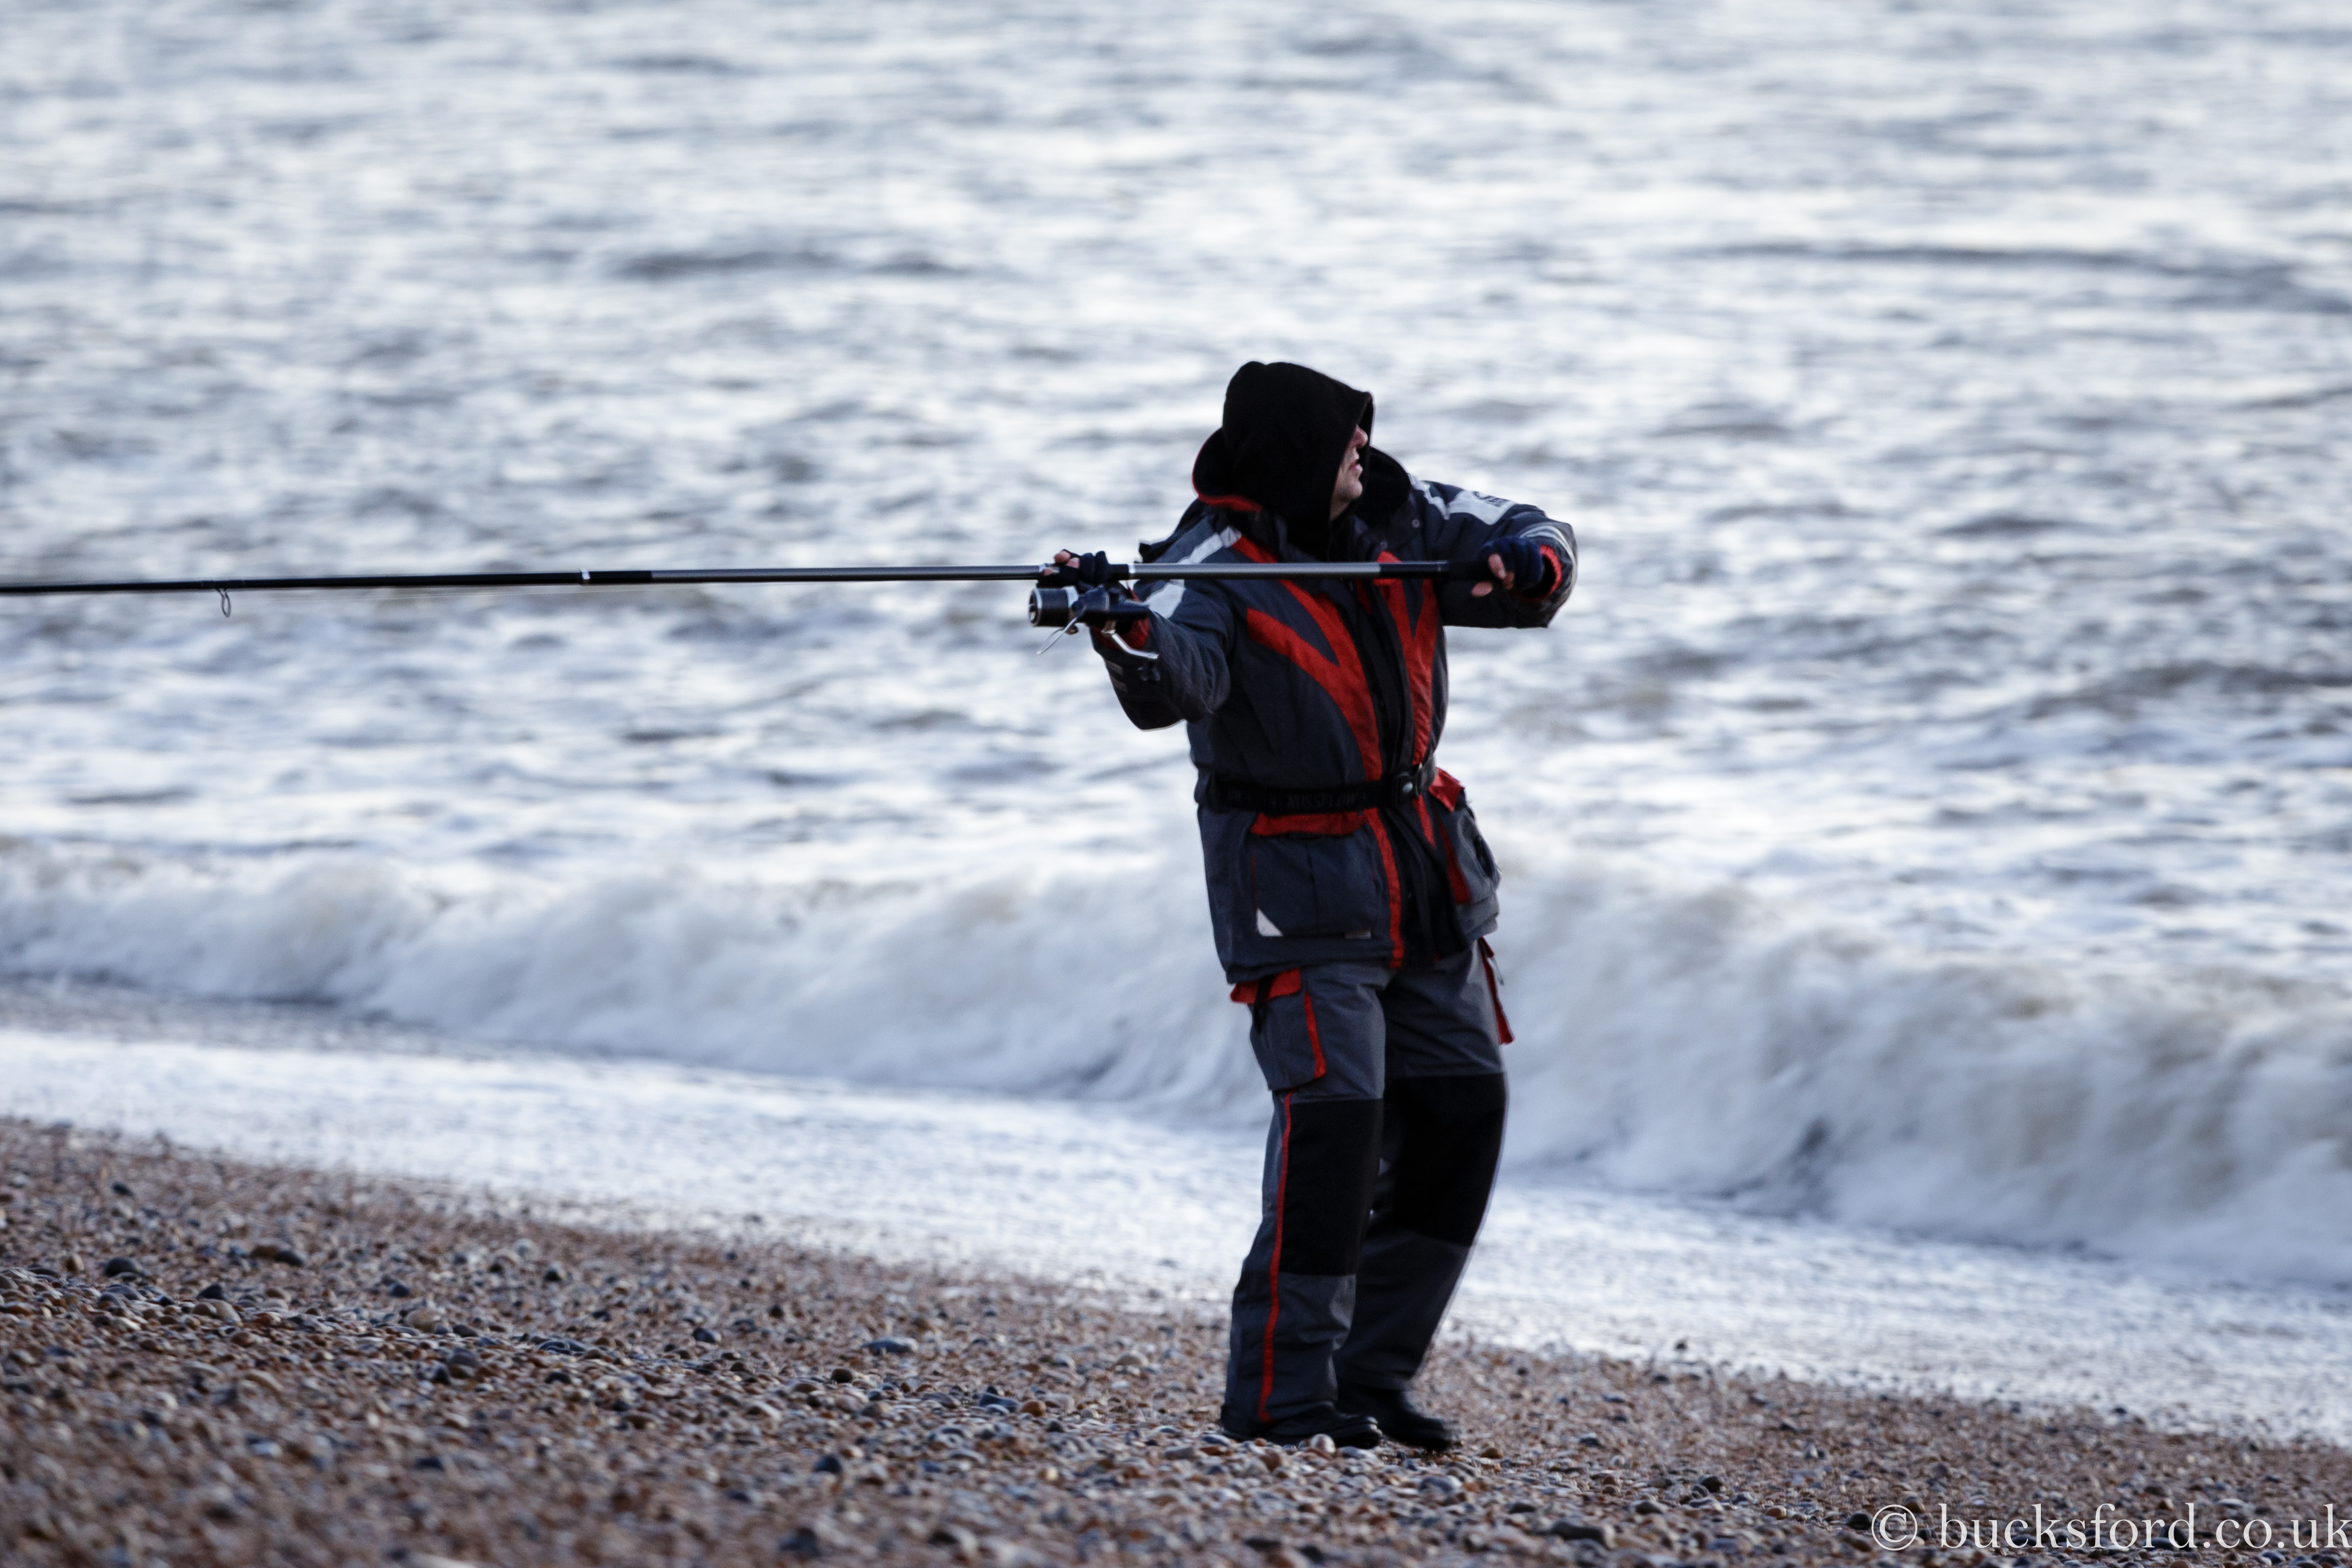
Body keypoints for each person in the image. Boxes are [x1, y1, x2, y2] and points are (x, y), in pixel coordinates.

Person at [1051, 361, 1575, 1450]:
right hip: (1294, 889)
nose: (1362, 450)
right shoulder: (1202, 564)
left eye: (1364, 433)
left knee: (1461, 1114)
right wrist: (1120, 627)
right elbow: (1171, 683)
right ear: (1297, 452)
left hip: (1422, 871)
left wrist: (1534, 562)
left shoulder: (1400, 511)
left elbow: (1528, 527)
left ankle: (1370, 1375)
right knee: (1335, 1128)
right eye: (1346, 437)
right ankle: (1280, 1395)